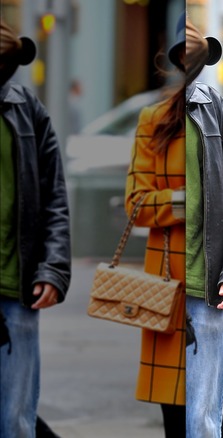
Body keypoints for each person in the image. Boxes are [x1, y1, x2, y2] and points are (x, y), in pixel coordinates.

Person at [125, 13, 223, 437]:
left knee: (203, 415)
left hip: (209, 281)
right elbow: (136, 205)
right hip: (162, 287)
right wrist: (191, 201)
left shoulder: (219, 113)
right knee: (172, 411)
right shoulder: (151, 120)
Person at [0, 20, 71, 437]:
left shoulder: (27, 109)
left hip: (19, 287)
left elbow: (54, 198)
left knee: (16, 419)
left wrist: (53, 269)